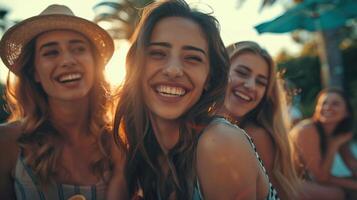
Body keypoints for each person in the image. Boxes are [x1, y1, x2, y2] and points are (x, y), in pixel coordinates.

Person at [113, 0, 278, 199]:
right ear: (135, 66)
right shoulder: (137, 146)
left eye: (192, 58)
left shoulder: (218, 142)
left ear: (209, 77)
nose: (173, 70)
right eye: (157, 53)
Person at [0, 4, 124, 200]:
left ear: (94, 63)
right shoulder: (7, 143)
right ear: (34, 72)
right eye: (51, 52)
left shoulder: (118, 143)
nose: (67, 60)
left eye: (78, 49)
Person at [218, 41, 300, 200]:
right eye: (242, 73)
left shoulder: (255, 136)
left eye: (261, 82)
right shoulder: (191, 127)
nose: (250, 85)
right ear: (220, 70)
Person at [291, 88, 357, 199]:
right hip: (285, 182)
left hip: (308, 182)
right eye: (323, 103)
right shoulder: (307, 130)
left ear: (346, 112)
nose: (327, 107)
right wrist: (333, 145)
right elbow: (321, 178)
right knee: (338, 194)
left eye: (335, 104)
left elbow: (352, 164)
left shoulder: (337, 133)